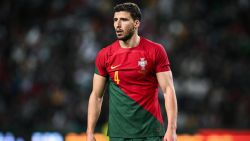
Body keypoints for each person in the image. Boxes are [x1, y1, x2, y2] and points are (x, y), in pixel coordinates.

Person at [86, 2, 178, 141]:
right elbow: (96, 96)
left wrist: (171, 129)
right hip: (119, 134)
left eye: (123, 20)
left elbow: (168, 90)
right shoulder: (105, 55)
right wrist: (89, 132)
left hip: (150, 132)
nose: (118, 25)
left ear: (136, 23)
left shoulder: (155, 51)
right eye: (115, 20)